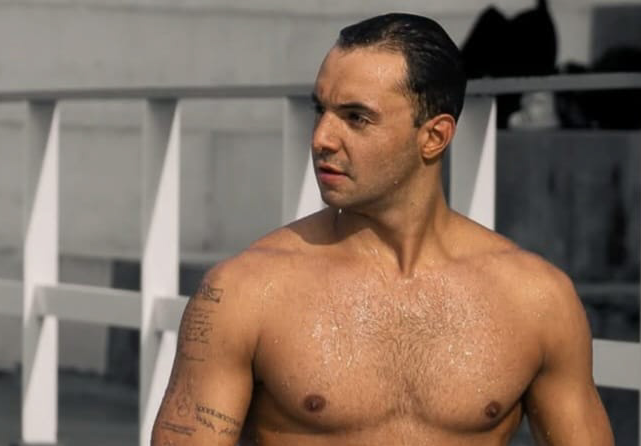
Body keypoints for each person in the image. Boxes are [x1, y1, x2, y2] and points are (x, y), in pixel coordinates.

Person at [151, 12, 614, 446]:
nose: (322, 138)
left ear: (434, 136)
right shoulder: (244, 292)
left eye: (356, 117)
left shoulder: (536, 300)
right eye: (320, 110)